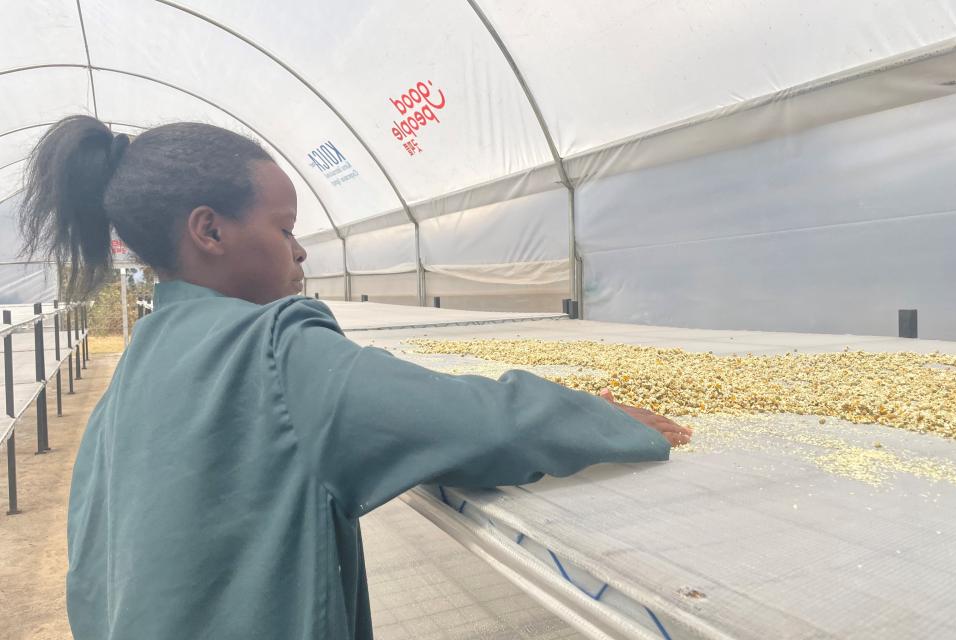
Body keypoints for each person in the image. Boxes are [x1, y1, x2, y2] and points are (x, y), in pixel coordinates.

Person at [19, 115, 692, 640]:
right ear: (210, 232)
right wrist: (598, 418)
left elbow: (91, 578)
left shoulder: (132, 373)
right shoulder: (275, 347)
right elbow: (470, 423)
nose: (300, 248)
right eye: (284, 228)